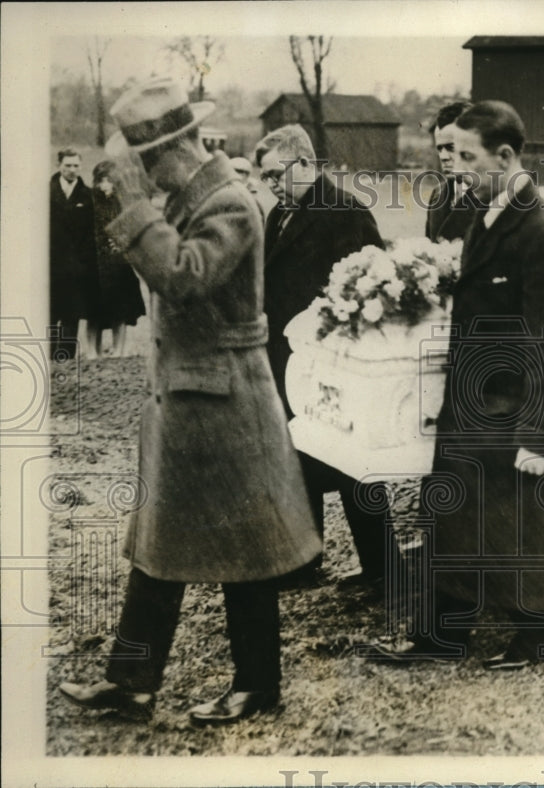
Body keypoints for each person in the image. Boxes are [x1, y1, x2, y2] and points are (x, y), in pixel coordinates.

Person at [58, 77, 321, 724]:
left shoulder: (229, 203)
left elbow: (183, 278)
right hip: (189, 399)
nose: (146, 173)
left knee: (249, 549)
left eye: (148, 162)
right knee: (158, 545)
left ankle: (257, 685)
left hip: (227, 400)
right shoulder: (187, 198)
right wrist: (134, 206)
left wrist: (134, 202)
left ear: (175, 149)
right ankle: (131, 685)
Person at [367, 101, 544, 670]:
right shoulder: (483, 216)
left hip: (516, 412)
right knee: (458, 519)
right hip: (474, 405)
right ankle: (445, 635)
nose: (456, 166)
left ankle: (543, 634)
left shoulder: (543, 233)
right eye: (453, 154)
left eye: (469, 156)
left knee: (524, 526)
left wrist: (542, 435)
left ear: (506, 156)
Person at [253, 124, 398, 592]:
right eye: (265, 177)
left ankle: (382, 564)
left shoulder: (344, 212)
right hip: (286, 356)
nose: (271, 184)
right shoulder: (279, 214)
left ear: (306, 164)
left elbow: (374, 282)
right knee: (297, 453)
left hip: (335, 358)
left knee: (353, 459)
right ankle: (304, 559)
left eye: (277, 174)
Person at [90, 160, 147, 357]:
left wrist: (122, 243)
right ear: (96, 181)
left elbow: (132, 228)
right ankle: (92, 351)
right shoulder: (90, 200)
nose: (106, 184)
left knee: (121, 307)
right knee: (94, 308)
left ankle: (119, 350)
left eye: (110, 180)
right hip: (95, 262)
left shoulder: (122, 201)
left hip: (118, 262)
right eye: (101, 180)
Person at [49, 147, 99, 359]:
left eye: (76, 165)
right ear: (59, 165)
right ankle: (47, 353)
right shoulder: (45, 192)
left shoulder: (87, 195)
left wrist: (83, 262)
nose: (72, 170)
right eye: (67, 165)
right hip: (50, 264)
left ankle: (66, 357)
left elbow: (91, 232)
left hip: (77, 265)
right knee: (50, 311)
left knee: (72, 312)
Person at [424, 101, 477, 242]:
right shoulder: (437, 195)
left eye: (451, 147)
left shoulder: (496, 197)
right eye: (439, 148)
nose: (443, 157)